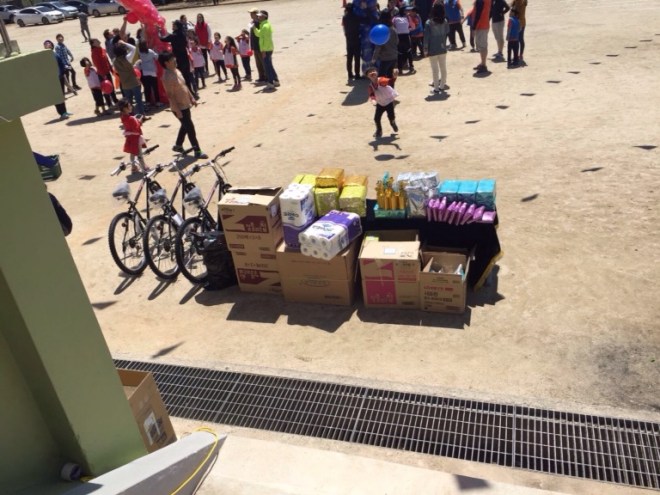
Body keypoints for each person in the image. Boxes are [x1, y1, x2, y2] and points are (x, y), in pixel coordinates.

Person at [158, 51, 208, 159]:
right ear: (166, 63)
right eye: (172, 59)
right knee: (190, 128)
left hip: (185, 103)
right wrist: (177, 111)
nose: (175, 60)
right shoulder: (167, 77)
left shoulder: (177, 70)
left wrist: (192, 97)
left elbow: (184, 86)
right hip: (179, 107)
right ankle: (197, 151)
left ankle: (178, 145)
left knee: (185, 125)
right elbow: (170, 96)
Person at [159, 20, 198, 99]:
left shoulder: (174, 35)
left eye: (174, 25)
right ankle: (192, 94)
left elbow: (162, 39)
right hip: (185, 58)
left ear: (176, 26)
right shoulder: (183, 34)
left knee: (180, 77)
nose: (172, 26)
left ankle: (187, 95)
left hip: (178, 59)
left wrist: (158, 32)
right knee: (187, 77)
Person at [113, 41, 146, 116]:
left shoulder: (114, 61)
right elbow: (134, 48)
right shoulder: (127, 58)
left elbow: (121, 70)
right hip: (134, 82)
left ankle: (130, 116)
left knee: (128, 102)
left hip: (124, 84)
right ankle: (142, 115)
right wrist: (124, 43)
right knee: (139, 100)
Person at [366, 66, 399, 138]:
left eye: (373, 71)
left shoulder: (381, 80)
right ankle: (379, 130)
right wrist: (373, 100)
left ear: (377, 73)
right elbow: (371, 94)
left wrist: (394, 77)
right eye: (370, 72)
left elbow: (390, 81)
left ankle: (393, 123)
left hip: (388, 102)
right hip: (380, 104)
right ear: (367, 76)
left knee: (391, 117)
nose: (372, 72)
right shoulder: (370, 86)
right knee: (376, 118)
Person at [423, 2, 449, 94]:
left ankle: (436, 89)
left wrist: (425, 49)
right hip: (442, 48)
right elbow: (447, 32)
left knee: (435, 70)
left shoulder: (428, 23)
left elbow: (426, 38)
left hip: (432, 49)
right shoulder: (445, 21)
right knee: (443, 68)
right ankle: (442, 86)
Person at [118, 99, 149, 173]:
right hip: (135, 138)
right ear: (125, 108)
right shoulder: (131, 118)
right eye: (129, 106)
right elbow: (136, 129)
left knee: (132, 153)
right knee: (139, 154)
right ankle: (144, 167)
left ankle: (133, 167)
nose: (131, 107)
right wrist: (140, 121)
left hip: (130, 138)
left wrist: (136, 120)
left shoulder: (123, 117)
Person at [45, 40, 73, 120]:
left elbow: (61, 63)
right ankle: (61, 113)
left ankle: (65, 111)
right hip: (52, 80)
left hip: (60, 77)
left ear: (51, 45)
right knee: (56, 96)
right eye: (46, 44)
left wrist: (63, 71)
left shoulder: (55, 54)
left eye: (49, 43)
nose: (47, 44)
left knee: (62, 95)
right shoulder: (44, 56)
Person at [253, 11, 279, 89]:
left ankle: (270, 83)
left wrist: (263, 50)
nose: (258, 17)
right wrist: (255, 28)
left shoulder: (264, 26)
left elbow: (262, 38)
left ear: (264, 17)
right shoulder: (266, 24)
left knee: (267, 67)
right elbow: (260, 34)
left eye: (260, 16)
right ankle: (276, 80)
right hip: (269, 48)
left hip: (266, 49)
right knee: (269, 65)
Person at [372, 10, 399, 81]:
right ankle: (391, 88)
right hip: (394, 56)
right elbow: (397, 42)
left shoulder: (381, 31)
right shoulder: (393, 29)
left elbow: (378, 46)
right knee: (391, 77)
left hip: (385, 58)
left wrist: (374, 58)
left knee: (381, 78)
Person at [90, 38, 118, 105]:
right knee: (106, 88)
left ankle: (115, 100)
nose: (99, 41)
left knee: (111, 86)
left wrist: (111, 69)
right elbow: (97, 65)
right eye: (96, 41)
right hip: (102, 74)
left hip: (107, 71)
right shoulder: (94, 53)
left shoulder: (102, 49)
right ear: (93, 44)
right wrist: (103, 75)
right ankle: (109, 103)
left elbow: (107, 60)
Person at [135, 41, 160, 107]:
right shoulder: (150, 51)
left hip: (144, 72)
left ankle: (148, 102)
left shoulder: (139, 52)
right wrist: (155, 50)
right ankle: (157, 102)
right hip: (152, 71)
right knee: (155, 87)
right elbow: (157, 57)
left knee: (147, 88)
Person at [342, 3, 361, 81]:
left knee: (349, 58)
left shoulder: (344, 17)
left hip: (349, 39)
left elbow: (344, 27)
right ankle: (357, 74)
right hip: (356, 38)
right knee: (357, 58)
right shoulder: (356, 17)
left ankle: (350, 74)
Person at [472, 0, 492, 73]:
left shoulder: (480, 1)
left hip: (481, 26)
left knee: (482, 46)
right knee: (482, 46)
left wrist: (474, 28)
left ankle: (484, 65)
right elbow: (491, 11)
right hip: (484, 24)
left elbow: (478, 14)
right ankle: (482, 63)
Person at [392, 8, 414, 74]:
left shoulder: (394, 18)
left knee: (399, 53)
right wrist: (408, 29)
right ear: (404, 12)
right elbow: (413, 27)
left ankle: (400, 69)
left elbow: (392, 27)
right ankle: (411, 67)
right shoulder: (407, 17)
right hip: (406, 36)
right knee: (409, 51)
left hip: (398, 36)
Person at [249, 8, 266, 83]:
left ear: (256, 13)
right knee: (258, 63)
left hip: (260, 45)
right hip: (255, 45)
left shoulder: (259, 22)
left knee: (263, 62)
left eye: (252, 13)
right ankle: (261, 77)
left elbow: (260, 34)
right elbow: (251, 35)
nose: (250, 15)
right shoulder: (252, 22)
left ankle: (266, 77)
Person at [510, 0, 527, 64]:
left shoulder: (523, 2)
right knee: (516, 40)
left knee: (520, 39)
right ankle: (516, 55)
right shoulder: (514, 2)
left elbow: (519, 13)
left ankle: (521, 55)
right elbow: (511, 13)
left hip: (521, 23)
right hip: (515, 23)